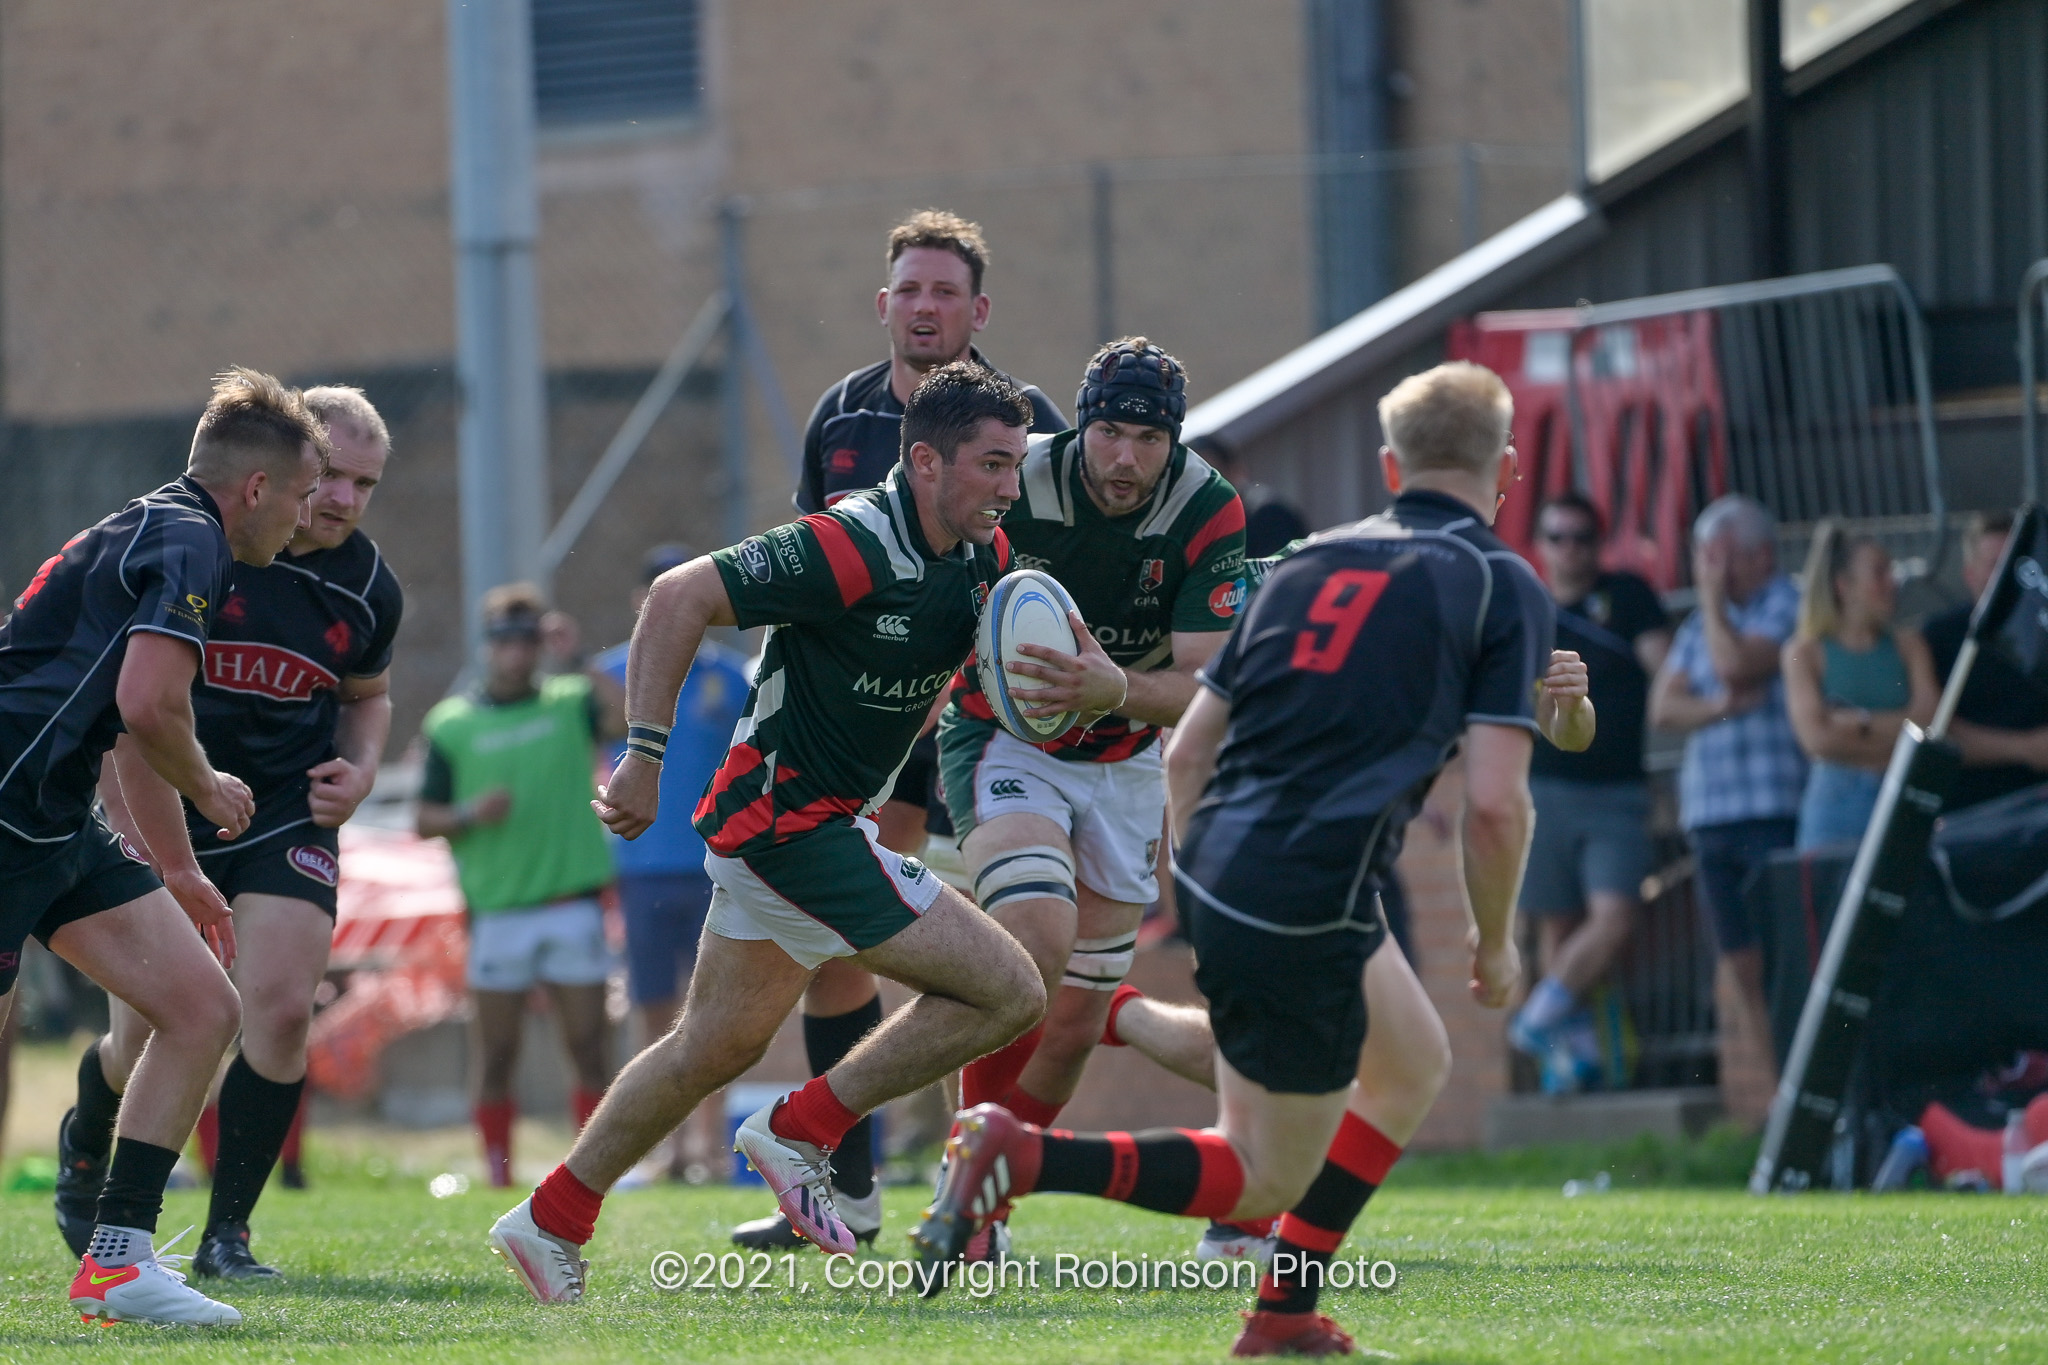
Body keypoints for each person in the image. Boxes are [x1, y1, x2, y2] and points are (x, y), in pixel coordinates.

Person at [915, 362, 1585, 1359]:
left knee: (1410, 1066)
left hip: (1225, 855)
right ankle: (1021, 1153)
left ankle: (1279, 1314)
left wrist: (1204, 887)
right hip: (1308, 879)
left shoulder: (1312, 561)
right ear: (1508, 469)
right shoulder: (1499, 577)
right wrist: (1496, 942)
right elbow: (1492, 805)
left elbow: (1187, 749)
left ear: (1388, 465)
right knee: (1265, 1171)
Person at [485, 361, 1047, 1305]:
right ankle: (801, 1127)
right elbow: (676, 596)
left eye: (1015, 465)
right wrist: (644, 755)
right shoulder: (854, 540)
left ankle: (550, 1217)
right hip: (793, 826)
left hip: (796, 827)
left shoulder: (982, 560)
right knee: (1009, 991)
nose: (1007, 485)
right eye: (992, 464)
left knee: (709, 1046)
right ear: (924, 461)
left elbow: (924, 678)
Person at [734, 209, 1067, 1248]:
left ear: (978, 310)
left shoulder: (1024, 417)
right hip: (857, 726)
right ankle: (848, 1191)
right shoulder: (837, 414)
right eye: (908, 290)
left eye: (944, 292)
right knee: (840, 957)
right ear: (883, 304)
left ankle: (971, 1203)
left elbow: (1044, 585)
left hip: (972, 724)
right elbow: (805, 568)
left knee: (1019, 961)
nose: (925, 308)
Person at [1, 367, 325, 1326]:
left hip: (53, 819)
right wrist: (209, 785)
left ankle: (117, 1261)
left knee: (198, 1007)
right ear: (255, 490)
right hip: (6, 812)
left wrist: (178, 868)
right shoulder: (190, 541)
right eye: (303, 498)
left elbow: (130, 718)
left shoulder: (163, 525)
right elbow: (152, 707)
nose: (306, 520)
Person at [59, 386, 403, 1280]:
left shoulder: (369, 585)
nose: (342, 500)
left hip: (281, 807)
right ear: (276, 475)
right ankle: (90, 1127)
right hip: (161, 796)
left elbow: (369, 697)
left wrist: (360, 769)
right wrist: (166, 838)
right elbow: (136, 713)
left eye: (366, 483)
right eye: (329, 476)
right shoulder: (199, 543)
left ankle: (226, 1233)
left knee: (278, 1008)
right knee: (150, 1029)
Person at [932, 336, 1247, 1261]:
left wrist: (1111, 690)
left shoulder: (1208, 507)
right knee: (1032, 940)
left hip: (1124, 757)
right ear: (1080, 423)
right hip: (1006, 735)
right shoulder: (1016, 480)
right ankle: (965, 1197)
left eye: (1148, 439)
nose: (1124, 457)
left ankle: (988, 1185)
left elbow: (1205, 686)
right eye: (1108, 430)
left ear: (1175, 442)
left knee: (1070, 1018)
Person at [417, 584, 619, 1188]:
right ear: (487, 646)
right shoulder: (451, 724)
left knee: (588, 1046)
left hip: (570, 904)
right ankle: (498, 1175)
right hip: (498, 912)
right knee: (498, 1053)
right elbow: (425, 819)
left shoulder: (569, 699)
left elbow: (625, 717)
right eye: (505, 640)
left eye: (528, 638)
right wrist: (471, 813)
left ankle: (593, 1170)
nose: (517, 652)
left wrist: (579, 655)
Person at [590, 544, 748, 1180]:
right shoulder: (607, 676)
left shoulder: (730, 677)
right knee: (653, 1006)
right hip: (641, 865)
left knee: (713, 1011)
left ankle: (706, 1149)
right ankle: (659, 1148)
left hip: (714, 864)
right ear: (640, 602)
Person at [1649, 494, 1806, 1124]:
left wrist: (1711, 604)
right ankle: (1779, 1101)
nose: (1709, 570)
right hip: (1712, 817)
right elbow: (1664, 708)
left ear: (1759, 554)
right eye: (1704, 559)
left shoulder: (1787, 604)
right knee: (1741, 964)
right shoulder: (1696, 628)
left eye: (1719, 557)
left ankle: (1811, 1086)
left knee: (1790, 957)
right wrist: (1721, 706)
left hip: (1776, 809)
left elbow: (1736, 662)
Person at [1509, 491, 1671, 1093]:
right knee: (1557, 926)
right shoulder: (1527, 606)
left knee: (1614, 916)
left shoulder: (1627, 595)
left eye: (1581, 537)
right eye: (1557, 537)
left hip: (1616, 789)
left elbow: (1666, 670)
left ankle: (1536, 1019)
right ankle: (1570, 1061)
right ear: (1542, 545)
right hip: (1543, 788)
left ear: (1598, 544)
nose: (1570, 548)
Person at [1782, 522, 1938, 850]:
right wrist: (1896, 732)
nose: (1891, 583)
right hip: (1836, 810)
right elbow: (1817, 739)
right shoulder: (1804, 653)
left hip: (1902, 799)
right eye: (1879, 574)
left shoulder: (1909, 644)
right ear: (1844, 586)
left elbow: (1930, 722)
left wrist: (1857, 723)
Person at [1922, 512, 2048, 811]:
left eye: (2013, 565)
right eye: (1995, 566)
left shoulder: (2040, 631)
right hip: (1972, 811)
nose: (2005, 578)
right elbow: (1936, 729)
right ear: (1971, 574)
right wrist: (2025, 748)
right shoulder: (1939, 637)